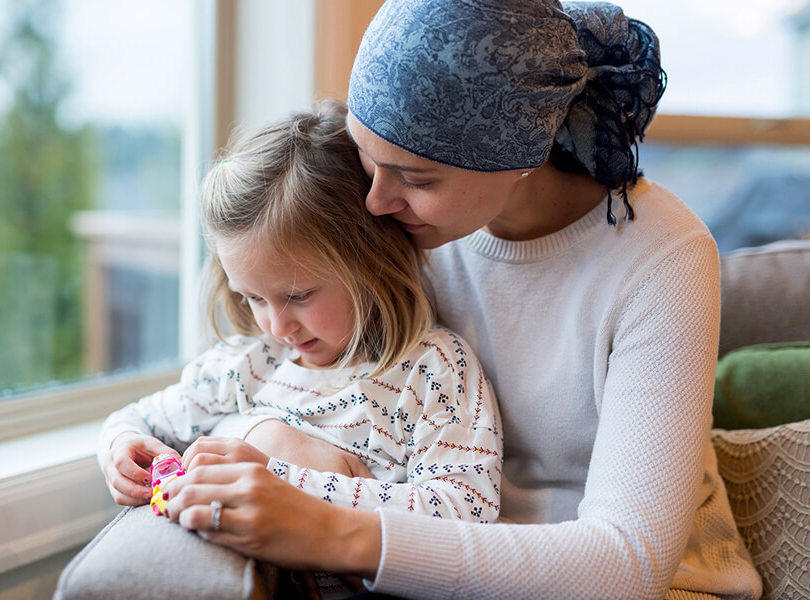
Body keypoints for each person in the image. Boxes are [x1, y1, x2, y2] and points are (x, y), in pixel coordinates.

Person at [161, 1, 763, 599]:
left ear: (523, 155)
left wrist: (324, 528)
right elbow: (262, 377)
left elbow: (627, 564)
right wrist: (268, 435)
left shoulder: (663, 256)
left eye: (417, 179)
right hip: (427, 572)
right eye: (369, 161)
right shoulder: (404, 228)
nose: (374, 203)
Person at [98, 100, 504, 597]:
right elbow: (135, 420)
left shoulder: (434, 370)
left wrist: (283, 481)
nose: (275, 323)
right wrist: (121, 450)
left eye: (298, 295)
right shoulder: (248, 365)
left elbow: (465, 517)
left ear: (372, 261)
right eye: (252, 297)